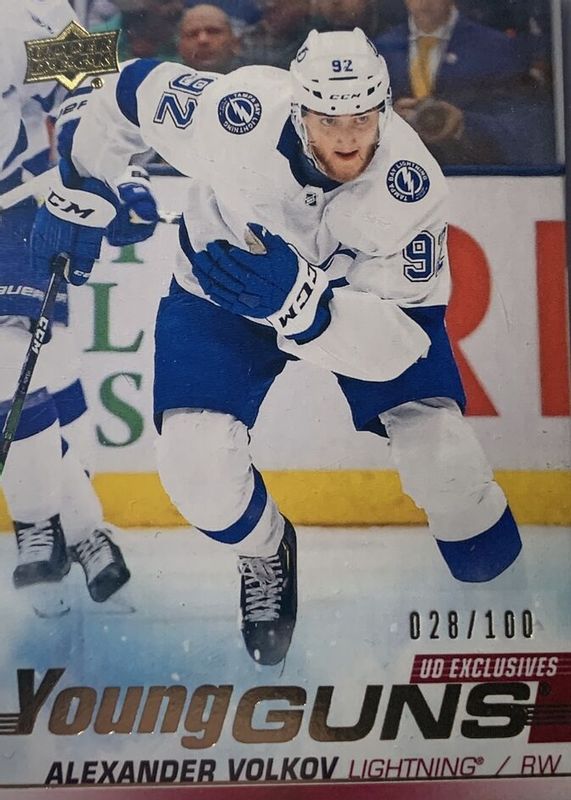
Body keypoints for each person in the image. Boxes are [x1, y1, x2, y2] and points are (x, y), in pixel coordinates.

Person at [30, 28, 522, 664]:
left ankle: (506, 584)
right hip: (222, 287)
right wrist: (83, 187)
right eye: (328, 119)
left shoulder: (412, 189)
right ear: (298, 109)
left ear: (384, 107)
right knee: (195, 470)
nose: (347, 137)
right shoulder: (236, 113)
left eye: (362, 117)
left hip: (358, 305)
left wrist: (305, 306)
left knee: (449, 472)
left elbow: (399, 346)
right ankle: (265, 551)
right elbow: (128, 90)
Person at [0, 0, 145, 603]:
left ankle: (37, 523)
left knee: (9, 362)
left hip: (8, 211)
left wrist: (111, 174)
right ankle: (86, 531)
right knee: (39, 377)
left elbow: (91, 74)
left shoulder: (20, 13)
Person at [374, 0, 549, 165]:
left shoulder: (497, 48)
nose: (424, 2)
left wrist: (464, 124)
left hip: (473, 174)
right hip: (402, 174)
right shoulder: (379, 50)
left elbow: (520, 127)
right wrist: (388, 121)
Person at [239, 0, 312, 69]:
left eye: (278, 11)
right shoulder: (254, 35)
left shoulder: (309, 38)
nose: (269, 16)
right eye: (269, 11)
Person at [177, 5, 242, 73]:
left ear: (235, 43)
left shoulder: (249, 77)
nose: (203, 40)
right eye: (192, 34)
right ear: (180, 47)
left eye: (213, 32)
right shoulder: (169, 77)